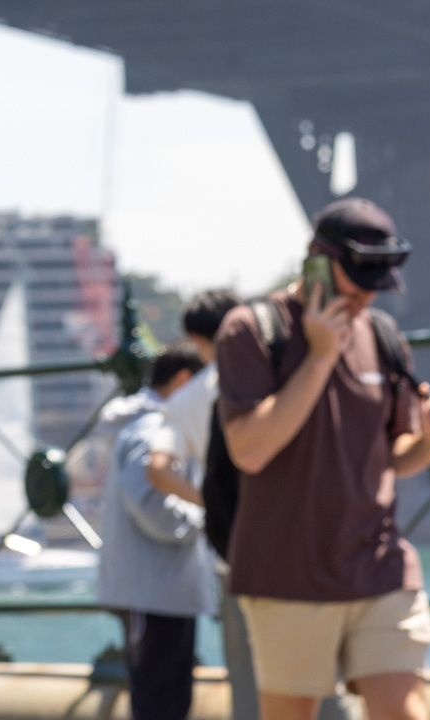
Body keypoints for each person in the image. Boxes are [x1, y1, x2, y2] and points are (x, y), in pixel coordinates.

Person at [217, 199, 430, 720]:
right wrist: (319, 357)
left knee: (405, 711)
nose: (366, 295)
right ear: (315, 260)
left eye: (376, 282)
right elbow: (249, 449)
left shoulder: (382, 337)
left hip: (379, 564)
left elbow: (394, 457)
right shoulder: (250, 330)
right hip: (286, 573)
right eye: (356, 280)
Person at [100, 344, 219, 720]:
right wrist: (209, 521)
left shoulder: (140, 424)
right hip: (156, 589)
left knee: (158, 691)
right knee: (161, 696)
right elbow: (153, 504)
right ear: (184, 381)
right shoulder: (153, 429)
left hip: (154, 588)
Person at [180, 287, 258, 720]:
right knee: (317, 679)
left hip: (233, 554)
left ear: (197, 339)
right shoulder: (274, 375)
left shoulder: (188, 397)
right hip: (294, 550)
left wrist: (208, 505)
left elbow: (159, 467)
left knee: (246, 678)